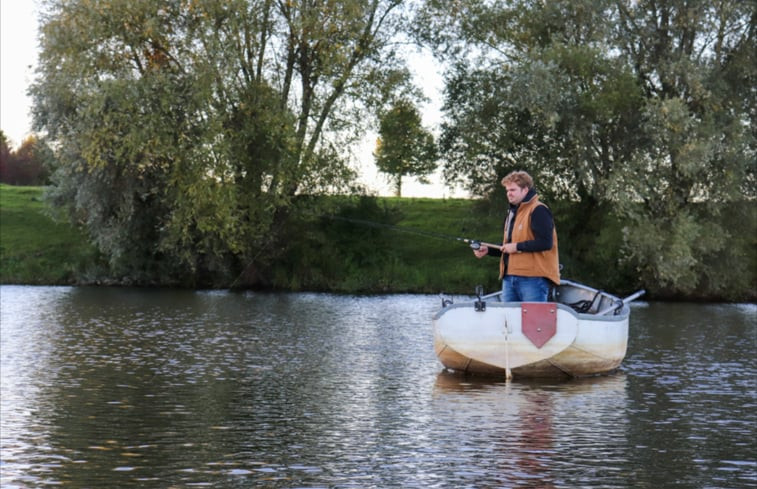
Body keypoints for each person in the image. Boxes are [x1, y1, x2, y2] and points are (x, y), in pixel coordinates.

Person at [473, 171, 560, 302]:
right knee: (509, 321)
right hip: (509, 278)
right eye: (507, 190)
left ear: (525, 190)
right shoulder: (512, 212)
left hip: (533, 279)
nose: (509, 193)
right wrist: (489, 250)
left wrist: (516, 247)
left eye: (513, 189)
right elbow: (510, 246)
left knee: (532, 322)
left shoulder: (538, 210)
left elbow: (546, 243)